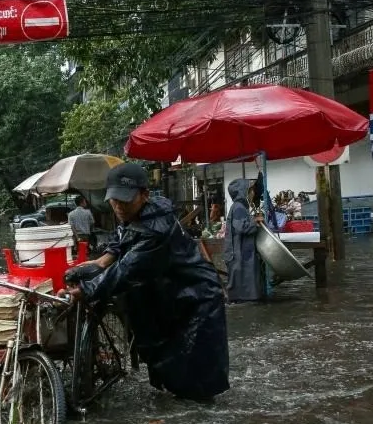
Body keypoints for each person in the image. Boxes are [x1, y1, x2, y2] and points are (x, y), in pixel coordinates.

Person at [63, 163, 230, 401]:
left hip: (196, 299)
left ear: (144, 195)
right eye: (114, 201)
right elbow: (123, 239)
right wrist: (101, 262)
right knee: (170, 368)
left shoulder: (157, 228)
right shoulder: (138, 213)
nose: (119, 207)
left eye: (125, 201)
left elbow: (128, 268)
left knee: (196, 381)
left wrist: (87, 289)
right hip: (170, 296)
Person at [223, 178, 263, 303]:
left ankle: (243, 301)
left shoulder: (239, 207)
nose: (253, 194)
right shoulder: (239, 207)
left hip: (240, 251)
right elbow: (242, 227)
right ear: (243, 192)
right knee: (243, 281)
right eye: (250, 191)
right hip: (238, 252)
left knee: (243, 281)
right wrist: (255, 221)